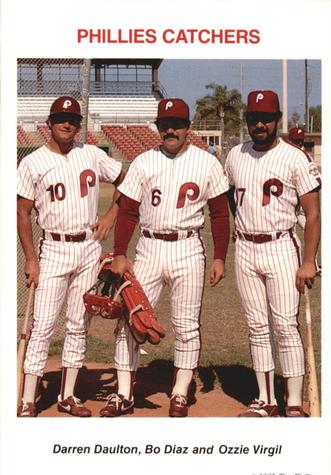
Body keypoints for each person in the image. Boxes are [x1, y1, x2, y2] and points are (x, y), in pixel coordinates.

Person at [99, 98, 230, 418]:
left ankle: (180, 392)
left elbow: (219, 214)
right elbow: (128, 211)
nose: (170, 129)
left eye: (177, 124)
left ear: (188, 127)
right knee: (131, 320)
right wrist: (119, 255)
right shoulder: (144, 161)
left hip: (188, 247)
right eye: (164, 124)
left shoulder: (207, 162)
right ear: (157, 128)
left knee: (186, 325)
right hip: (149, 247)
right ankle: (124, 394)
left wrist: (220, 258)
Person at [17, 96, 125, 417]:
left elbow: (127, 182)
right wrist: (30, 258)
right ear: (49, 124)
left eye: (74, 119)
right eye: (61, 118)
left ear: (79, 125)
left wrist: (110, 216)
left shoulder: (91, 154)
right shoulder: (32, 163)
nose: (68, 123)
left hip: (89, 247)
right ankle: (27, 398)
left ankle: (67, 395)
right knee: (43, 325)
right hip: (52, 247)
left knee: (79, 323)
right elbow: (22, 213)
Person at [225, 90, 321, 417]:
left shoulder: (295, 157)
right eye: (254, 118)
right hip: (246, 250)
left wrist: (309, 261)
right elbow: (228, 195)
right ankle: (266, 399)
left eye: (266, 117)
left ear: (278, 120)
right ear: (247, 120)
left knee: (284, 325)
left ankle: (293, 401)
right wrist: (238, 220)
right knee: (256, 326)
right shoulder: (235, 154)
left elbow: (313, 213)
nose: (260, 123)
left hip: (281, 245)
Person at [288, 127, 321, 275]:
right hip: (290, 208)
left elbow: (316, 183)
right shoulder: (285, 155)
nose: (298, 143)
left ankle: (313, 264)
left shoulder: (305, 158)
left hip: (302, 209)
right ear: (290, 140)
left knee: (313, 233)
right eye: (296, 141)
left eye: (301, 141)